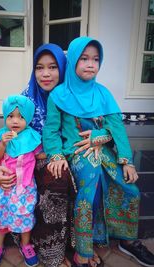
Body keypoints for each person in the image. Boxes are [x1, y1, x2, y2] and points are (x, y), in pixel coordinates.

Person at [42, 36, 154, 267]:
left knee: (130, 188)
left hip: (104, 151)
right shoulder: (59, 95)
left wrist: (127, 161)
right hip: (76, 153)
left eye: (96, 59)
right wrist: (55, 154)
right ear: (72, 61)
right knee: (89, 186)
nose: (90, 64)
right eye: (84, 59)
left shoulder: (103, 94)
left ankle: (128, 240)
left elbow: (117, 129)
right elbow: (51, 131)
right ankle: (83, 251)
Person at [0, 43, 78, 267]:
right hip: (31, 164)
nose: (46, 74)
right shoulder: (24, 101)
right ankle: (52, 253)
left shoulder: (74, 97)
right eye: (40, 67)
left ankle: (83, 247)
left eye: (53, 67)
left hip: (69, 154)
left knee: (82, 175)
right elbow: (6, 141)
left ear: (63, 68)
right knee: (56, 183)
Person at [0, 95, 42, 267]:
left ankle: (26, 245)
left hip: (24, 187)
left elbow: (40, 155)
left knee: (25, 217)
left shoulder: (33, 137)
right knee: (0, 218)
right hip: (4, 186)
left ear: (29, 118)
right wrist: (2, 145)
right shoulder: (0, 135)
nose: (15, 121)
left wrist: (57, 153)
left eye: (21, 116)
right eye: (11, 116)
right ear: (5, 117)